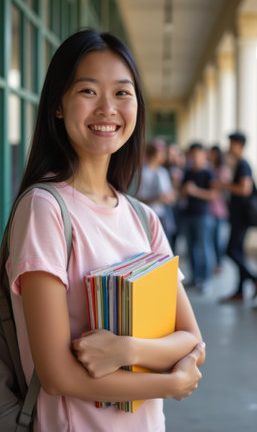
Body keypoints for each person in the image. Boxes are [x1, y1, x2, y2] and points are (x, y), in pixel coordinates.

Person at [0, 29, 205, 432]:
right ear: (58, 106)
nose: (107, 108)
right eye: (88, 91)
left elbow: (193, 340)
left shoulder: (143, 219)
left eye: (122, 93)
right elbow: (58, 375)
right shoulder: (46, 209)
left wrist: (124, 349)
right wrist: (168, 380)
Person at [213, 132, 257, 302]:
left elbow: (244, 189)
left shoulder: (244, 165)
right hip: (238, 216)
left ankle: (253, 279)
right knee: (237, 250)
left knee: (231, 250)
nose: (229, 147)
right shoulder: (239, 164)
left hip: (242, 217)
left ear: (239, 144)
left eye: (232, 143)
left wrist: (222, 185)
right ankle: (239, 291)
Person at [181, 142, 216, 292]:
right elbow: (181, 192)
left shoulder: (208, 173)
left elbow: (213, 195)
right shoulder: (187, 172)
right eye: (192, 153)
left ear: (203, 155)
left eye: (197, 153)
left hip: (203, 216)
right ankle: (195, 278)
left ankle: (205, 279)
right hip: (188, 214)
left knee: (204, 248)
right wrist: (185, 190)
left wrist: (194, 191)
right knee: (191, 249)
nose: (195, 156)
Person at [136, 139, 177, 245]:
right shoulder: (142, 173)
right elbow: (137, 198)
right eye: (161, 153)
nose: (164, 156)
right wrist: (157, 198)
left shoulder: (163, 172)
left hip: (163, 215)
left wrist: (170, 196)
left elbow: (170, 194)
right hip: (148, 216)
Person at [208, 145, 230, 273]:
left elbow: (225, 186)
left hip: (219, 210)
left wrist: (217, 184)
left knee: (217, 239)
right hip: (209, 209)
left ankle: (219, 263)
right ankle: (215, 262)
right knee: (210, 239)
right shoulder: (209, 168)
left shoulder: (222, 170)